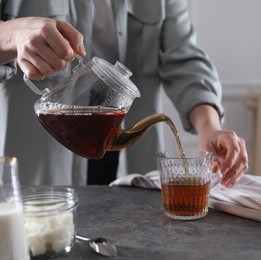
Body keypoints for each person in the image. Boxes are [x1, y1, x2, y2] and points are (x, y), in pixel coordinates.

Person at [0, 0, 248, 188]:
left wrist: (209, 126)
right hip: (34, 168)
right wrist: (14, 33)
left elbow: (183, 57)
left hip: (127, 168)